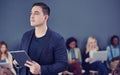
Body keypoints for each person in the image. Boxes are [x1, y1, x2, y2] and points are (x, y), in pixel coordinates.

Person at [13, 2, 68, 75]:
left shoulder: (57, 39)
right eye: (31, 13)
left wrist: (41, 69)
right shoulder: (26, 36)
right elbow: (22, 58)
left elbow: (63, 64)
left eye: (36, 13)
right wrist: (17, 62)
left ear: (45, 17)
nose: (32, 16)